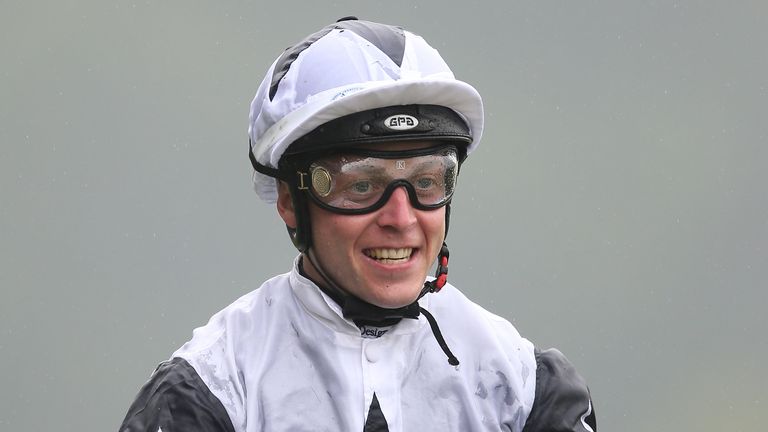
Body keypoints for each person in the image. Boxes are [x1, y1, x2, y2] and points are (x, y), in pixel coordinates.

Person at [120, 17, 597, 432]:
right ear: (290, 200)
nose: (401, 218)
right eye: (362, 185)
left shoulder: (528, 390)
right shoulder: (208, 392)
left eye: (427, 181)